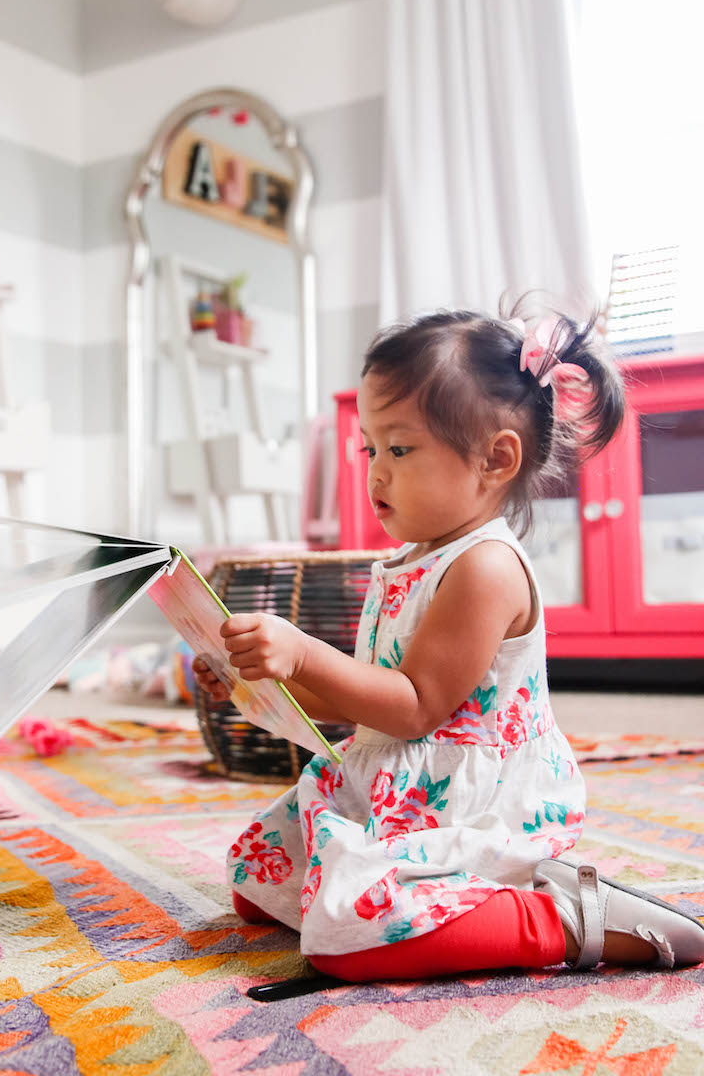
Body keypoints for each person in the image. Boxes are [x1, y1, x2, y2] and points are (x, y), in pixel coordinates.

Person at [194, 305, 704, 982]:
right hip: (399, 779)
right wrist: (252, 680)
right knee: (256, 884)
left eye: (399, 450)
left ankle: (562, 918)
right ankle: (449, 902)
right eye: (368, 448)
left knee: (346, 942)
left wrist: (306, 651)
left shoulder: (485, 568)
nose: (375, 473)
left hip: (471, 799)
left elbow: (414, 706)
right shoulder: (411, 559)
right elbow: (367, 702)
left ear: (496, 459)